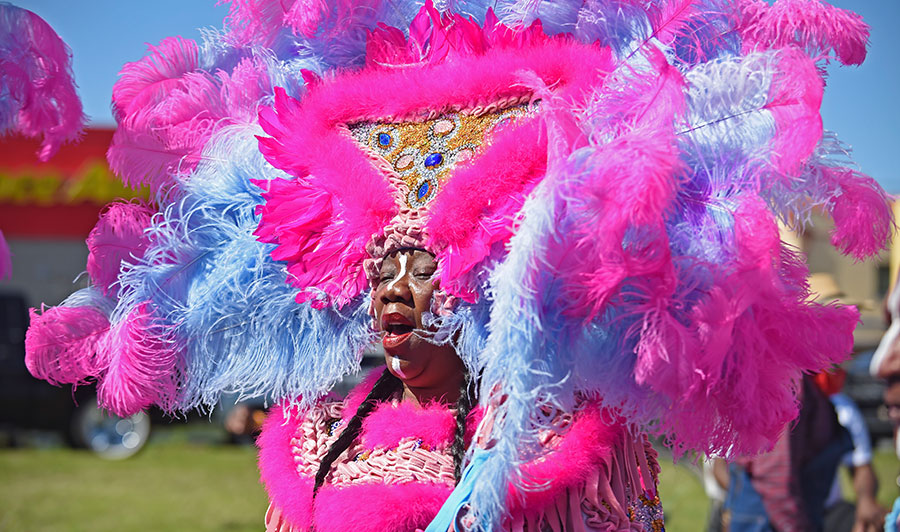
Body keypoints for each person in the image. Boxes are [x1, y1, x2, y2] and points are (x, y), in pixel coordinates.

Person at [21, 1, 893, 531]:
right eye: (381, 265)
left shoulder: (563, 437)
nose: (395, 289)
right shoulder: (316, 431)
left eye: (421, 265)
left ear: (483, 278)